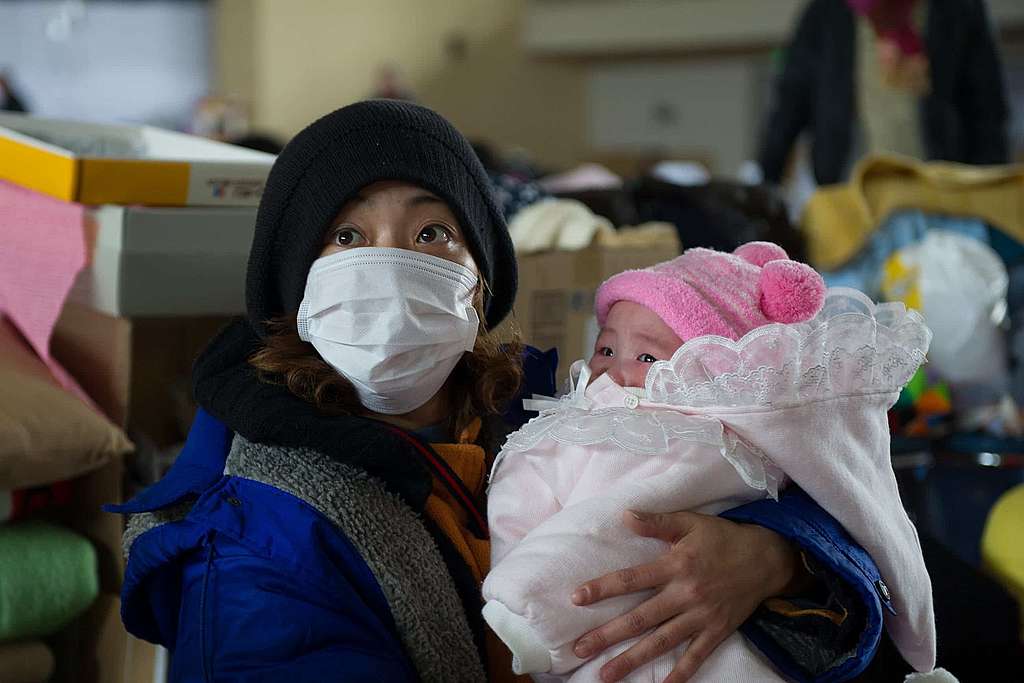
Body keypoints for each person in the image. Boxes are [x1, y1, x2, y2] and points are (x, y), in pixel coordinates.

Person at [107, 101, 897, 682]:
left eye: (432, 233)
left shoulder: (549, 408)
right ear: (294, 287)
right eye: (346, 236)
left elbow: (833, 509)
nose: (391, 265)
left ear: (480, 282)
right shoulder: (251, 542)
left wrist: (775, 557)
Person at [484, 243, 945, 681]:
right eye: (606, 349)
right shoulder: (569, 429)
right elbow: (522, 509)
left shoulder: (701, 444)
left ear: (710, 374)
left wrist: (530, 605)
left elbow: (610, 526)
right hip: (594, 648)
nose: (614, 371)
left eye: (646, 356)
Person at [759, 0, 1009, 187]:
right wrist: (764, 179)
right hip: (850, 194)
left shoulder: (959, 9)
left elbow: (987, 112)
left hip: (942, 191)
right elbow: (790, 104)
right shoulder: (825, 14)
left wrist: (987, 188)